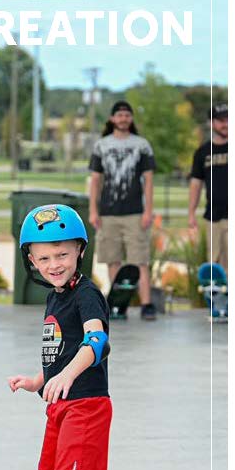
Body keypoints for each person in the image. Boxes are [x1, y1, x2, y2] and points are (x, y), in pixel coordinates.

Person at [8, 204, 112, 470]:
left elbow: (95, 342)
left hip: (86, 405)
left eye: (63, 255)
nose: (55, 264)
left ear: (80, 252)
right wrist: (41, 379)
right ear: (31, 260)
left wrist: (69, 374)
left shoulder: (87, 295)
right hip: (62, 404)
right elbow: (61, 351)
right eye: (45, 257)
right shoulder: (54, 297)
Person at [88, 101, 157, 321]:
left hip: (135, 212)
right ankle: (118, 305)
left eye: (127, 114)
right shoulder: (101, 145)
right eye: (119, 115)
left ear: (132, 119)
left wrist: (148, 211)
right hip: (108, 212)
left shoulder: (142, 145)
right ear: (112, 119)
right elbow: (95, 180)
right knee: (112, 260)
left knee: (140, 260)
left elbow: (148, 180)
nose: (123, 118)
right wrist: (93, 210)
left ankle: (147, 304)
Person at [188, 103, 228, 273]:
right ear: (211, 123)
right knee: (214, 267)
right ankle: (218, 300)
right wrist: (191, 213)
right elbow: (196, 184)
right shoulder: (203, 152)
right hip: (213, 217)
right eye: (221, 120)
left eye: (229, 119)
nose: (226, 124)